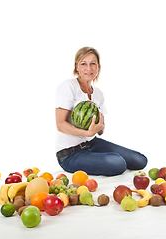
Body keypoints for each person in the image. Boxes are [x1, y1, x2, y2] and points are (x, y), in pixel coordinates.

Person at [55, 47, 147, 176]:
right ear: (77, 67)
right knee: (118, 163)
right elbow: (60, 124)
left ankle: (102, 158)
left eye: (93, 63)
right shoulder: (68, 86)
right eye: (83, 64)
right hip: (70, 154)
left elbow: (101, 131)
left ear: (98, 67)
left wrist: (100, 125)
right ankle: (106, 159)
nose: (89, 68)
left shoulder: (98, 94)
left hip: (92, 144)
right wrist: (86, 133)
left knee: (140, 160)